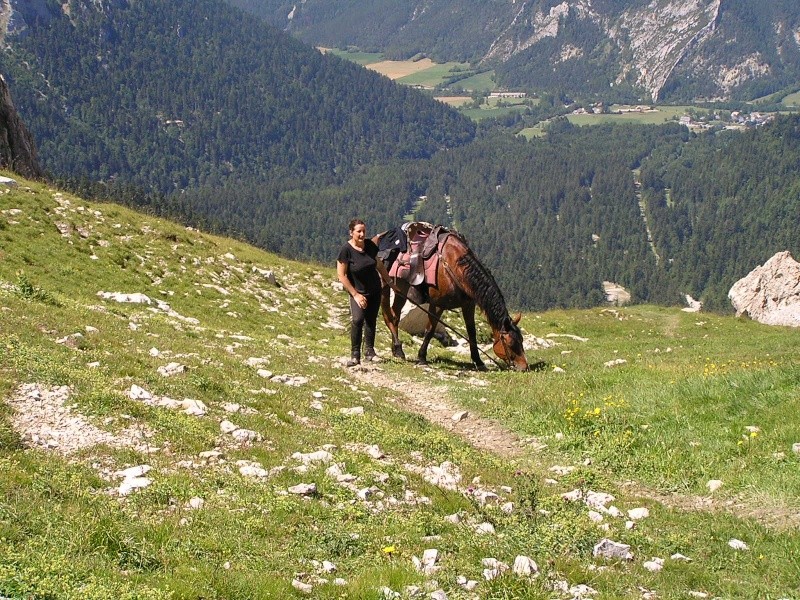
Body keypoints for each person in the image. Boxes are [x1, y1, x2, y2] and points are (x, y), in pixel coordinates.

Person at [337, 218, 394, 367]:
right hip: (358, 292)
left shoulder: (369, 246)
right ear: (351, 233)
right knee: (357, 320)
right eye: (359, 231)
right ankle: (355, 355)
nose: (362, 234)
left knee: (371, 320)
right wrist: (355, 294)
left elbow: (379, 264)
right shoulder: (346, 250)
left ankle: (370, 352)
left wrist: (389, 281)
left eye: (364, 231)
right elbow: (341, 275)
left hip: (375, 290)